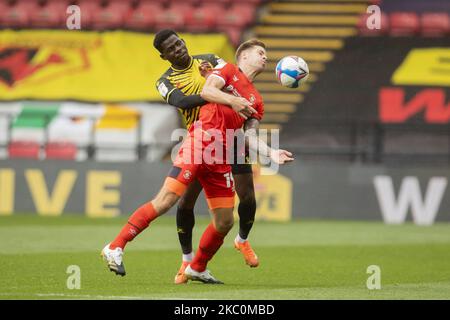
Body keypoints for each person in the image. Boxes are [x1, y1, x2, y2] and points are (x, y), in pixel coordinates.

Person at [101, 38, 294, 284]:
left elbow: (248, 135)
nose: (265, 57)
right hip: (200, 142)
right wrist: (232, 99)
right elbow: (206, 91)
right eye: (260, 52)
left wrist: (270, 152)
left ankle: (197, 267)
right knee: (168, 200)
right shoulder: (227, 70)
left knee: (225, 221)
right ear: (243, 56)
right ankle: (116, 246)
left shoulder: (256, 99)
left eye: (266, 53)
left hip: (223, 156)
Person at [153, 29, 264, 284]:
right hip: (202, 137)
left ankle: (243, 241)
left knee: (247, 196)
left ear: (184, 40)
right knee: (185, 202)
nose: (178, 49)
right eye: (171, 48)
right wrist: (211, 94)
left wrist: (219, 86)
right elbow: (181, 101)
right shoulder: (165, 80)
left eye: (179, 43)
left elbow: (238, 81)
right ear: (164, 56)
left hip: (234, 135)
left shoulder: (211, 60)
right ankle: (186, 260)